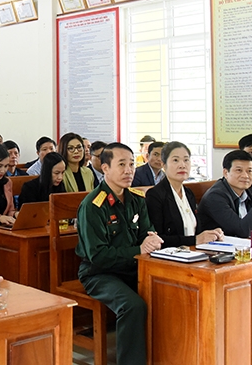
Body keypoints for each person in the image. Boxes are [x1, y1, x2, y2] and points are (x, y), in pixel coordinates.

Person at [77, 142, 161, 365]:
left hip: (132, 269)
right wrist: (139, 249)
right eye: (121, 164)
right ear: (105, 168)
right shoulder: (93, 205)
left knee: (166, 293)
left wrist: (152, 240)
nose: (129, 170)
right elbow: (98, 255)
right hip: (99, 274)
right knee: (132, 306)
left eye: (132, 164)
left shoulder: (136, 199)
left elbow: (146, 233)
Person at [145, 142, 222, 248]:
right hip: (171, 256)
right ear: (163, 164)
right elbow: (158, 238)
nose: (182, 165)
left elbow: (196, 228)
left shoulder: (189, 193)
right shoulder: (155, 195)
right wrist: (195, 240)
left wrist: (213, 233)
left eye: (186, 160)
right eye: (175, 160)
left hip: (194, 253)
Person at [197, 150, 252, 237]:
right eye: (239, 170)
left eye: (249, 171)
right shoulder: (215, 196)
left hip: (242, 247)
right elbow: (242, 231)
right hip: (215, 247)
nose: (245, 176)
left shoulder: (250, 191)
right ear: (226, 173)